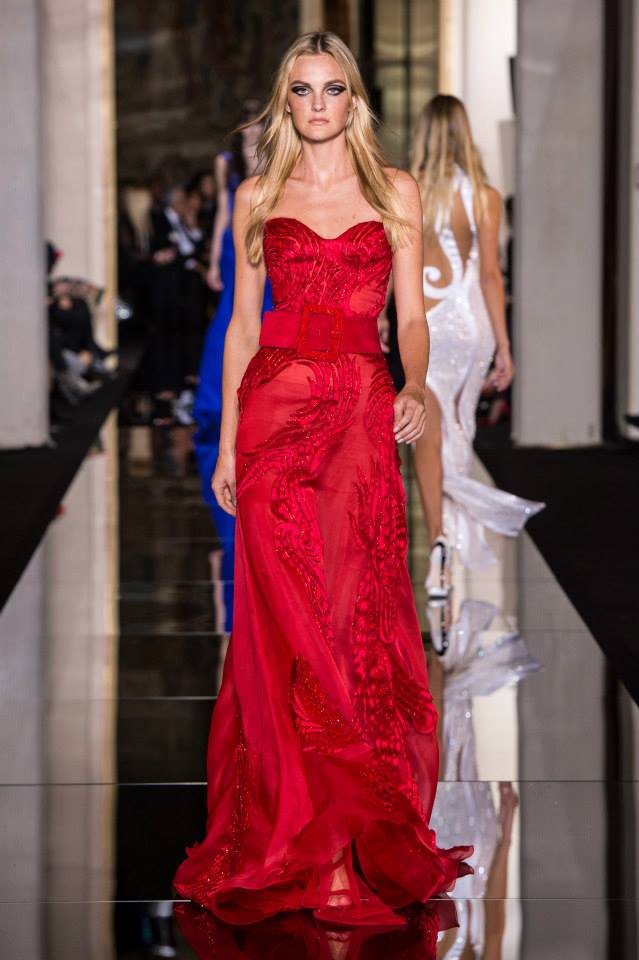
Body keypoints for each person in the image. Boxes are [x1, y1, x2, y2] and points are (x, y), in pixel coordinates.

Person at [173, 31, 471, 927]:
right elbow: (241, 328)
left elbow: (410, 318)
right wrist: (228, 447)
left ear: (353, 100)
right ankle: (289, 827)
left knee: (349, 615)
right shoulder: (258, 193)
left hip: (360, 416)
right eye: (300, 91)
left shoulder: (394, 190)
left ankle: (347, 833)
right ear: (284, 101)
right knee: (281, 618)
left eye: (331, 89)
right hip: (274, 411)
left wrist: (413, 384)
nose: (315, 105)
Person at [410, 96, 543, 600]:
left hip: (426, 320)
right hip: (471, 325)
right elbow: (490, 274)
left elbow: (395, 265)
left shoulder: (406, 190)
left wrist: (382, 315)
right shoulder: (485, 196)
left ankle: (439, 541)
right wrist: (504, 345)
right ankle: (450, 540)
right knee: (460, 429)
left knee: (427, 431)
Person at [192, 101, 272, 632]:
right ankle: (226, 408)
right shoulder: (232, 175)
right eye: (245, 137)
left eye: (255, 135)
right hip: (233, 255)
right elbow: (224, 216)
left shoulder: (277, 172)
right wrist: (213, 258)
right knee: (234, 326)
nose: (250, 143)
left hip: (265, 260)